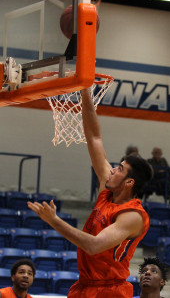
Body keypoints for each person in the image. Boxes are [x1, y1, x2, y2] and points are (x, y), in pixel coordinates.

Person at [27, 87, 153, 298]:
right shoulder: (108, 191)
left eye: (119, 169)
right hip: (85, 284)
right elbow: (94, 137)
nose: (112, 169)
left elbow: (93, 246)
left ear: (129, 182)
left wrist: (54, 221)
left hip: (109, 290)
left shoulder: (132, 216)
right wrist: (85, 91)